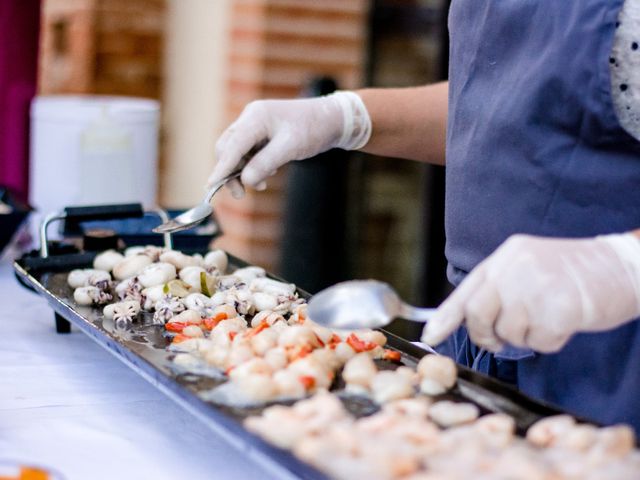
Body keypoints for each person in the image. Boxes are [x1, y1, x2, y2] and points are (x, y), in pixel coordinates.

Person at [208, 1, 640, 431]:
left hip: (614, 368)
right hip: (479, 345)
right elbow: (509, 110)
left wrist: (623, 264)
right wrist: (345, 117)